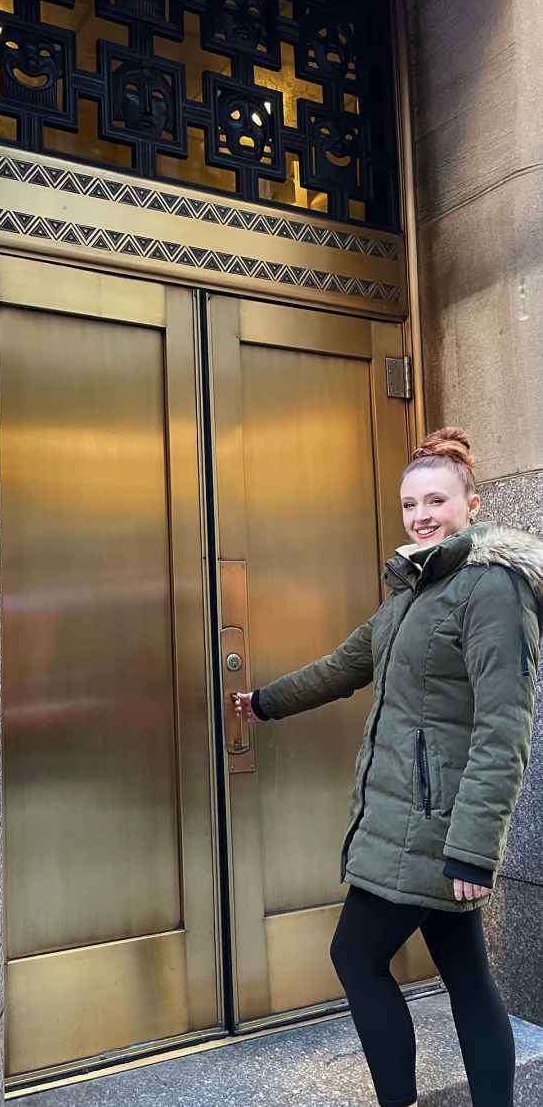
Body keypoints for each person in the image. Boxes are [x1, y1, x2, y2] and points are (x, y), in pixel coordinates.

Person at [233, 427, 543, 1107]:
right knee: (466, 974)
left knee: (356, 955)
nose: (421, 514)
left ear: (472, 503)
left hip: (433, 828)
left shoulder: (491, 589)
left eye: (436, 499)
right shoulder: (412, 594)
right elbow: (344, 666)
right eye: (409, 503)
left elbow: (504, 726)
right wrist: (264, 702)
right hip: (407, 817)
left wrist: (472, 850)